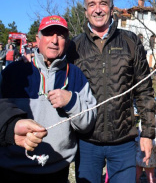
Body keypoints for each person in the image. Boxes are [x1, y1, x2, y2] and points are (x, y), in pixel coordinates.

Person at [67, 0, 156, 183]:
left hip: (123, 142)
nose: (97, 9)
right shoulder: (74, 46)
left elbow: (144, 90)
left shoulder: (130, 41)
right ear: (85, 11)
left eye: (103, 3)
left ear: (112, 8)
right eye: (92, 4)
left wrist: (148, 134)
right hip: (87, 142)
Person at [0, 15, 97, 182]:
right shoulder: (15, 72)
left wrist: (72, 102)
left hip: (57, 171)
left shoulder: (75, 75)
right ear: (37, 40)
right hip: (11, 170)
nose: (54, 40)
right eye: (48, 34)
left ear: (66, 42)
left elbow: (87, 125)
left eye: (60, 35)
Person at [136, 101, 156, 183]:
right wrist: (136, 140)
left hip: (150, 153)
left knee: (150, 176)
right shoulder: (143, 119)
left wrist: (151, 144)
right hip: (139, 151)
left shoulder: (155, 120)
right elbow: (139, 133)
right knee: (136, 174)